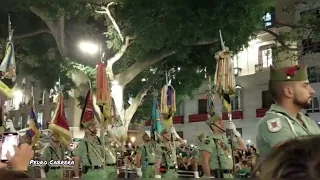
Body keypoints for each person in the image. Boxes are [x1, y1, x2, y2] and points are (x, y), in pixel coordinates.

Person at [256, 65, 320, 157]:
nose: (312, 91)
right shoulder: (272, 122)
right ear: (288, 91)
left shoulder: (308, 121)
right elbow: (297, 159)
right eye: (305, 85)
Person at [73, 89, 107, 179]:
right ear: (86, 130)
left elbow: (113, 138)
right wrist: (76, 176)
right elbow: (76, 161)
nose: (95, 127)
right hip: (89, 174)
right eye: (92, 126)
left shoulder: (100, 141)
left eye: (95, 126)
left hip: (102, 174)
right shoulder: (81, 144)